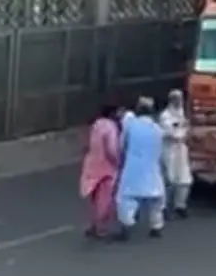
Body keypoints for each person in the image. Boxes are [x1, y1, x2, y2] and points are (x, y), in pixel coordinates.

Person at [115, 97, 166, 241]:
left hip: (133, 168)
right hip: (152, 168)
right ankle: (156, 227)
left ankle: (126, 227)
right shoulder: (157, 129)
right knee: (155, 201)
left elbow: (121, 144)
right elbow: (161, 150)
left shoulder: (131, 126)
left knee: (126, 199)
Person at [79, 103, 123, 238]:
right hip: (106, 168)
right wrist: (117, 162)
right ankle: (100, 227)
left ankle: (93, 224)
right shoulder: (111, 127)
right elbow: (111, 149)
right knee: (104, 199)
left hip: (92, 164)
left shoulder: (96, 124)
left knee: (94, 198)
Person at [158, 90, 192, 219]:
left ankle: (180, 206)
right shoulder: (165, 115)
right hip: (169, 150)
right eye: (175, 99)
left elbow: (186, 130)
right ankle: (164, 207)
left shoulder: (182, 114)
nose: (178, 102)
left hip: (181, 150)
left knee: (184, 180)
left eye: (180, 99)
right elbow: (171, 132)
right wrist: (181, 130)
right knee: (169, 180)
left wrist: (182, 130)